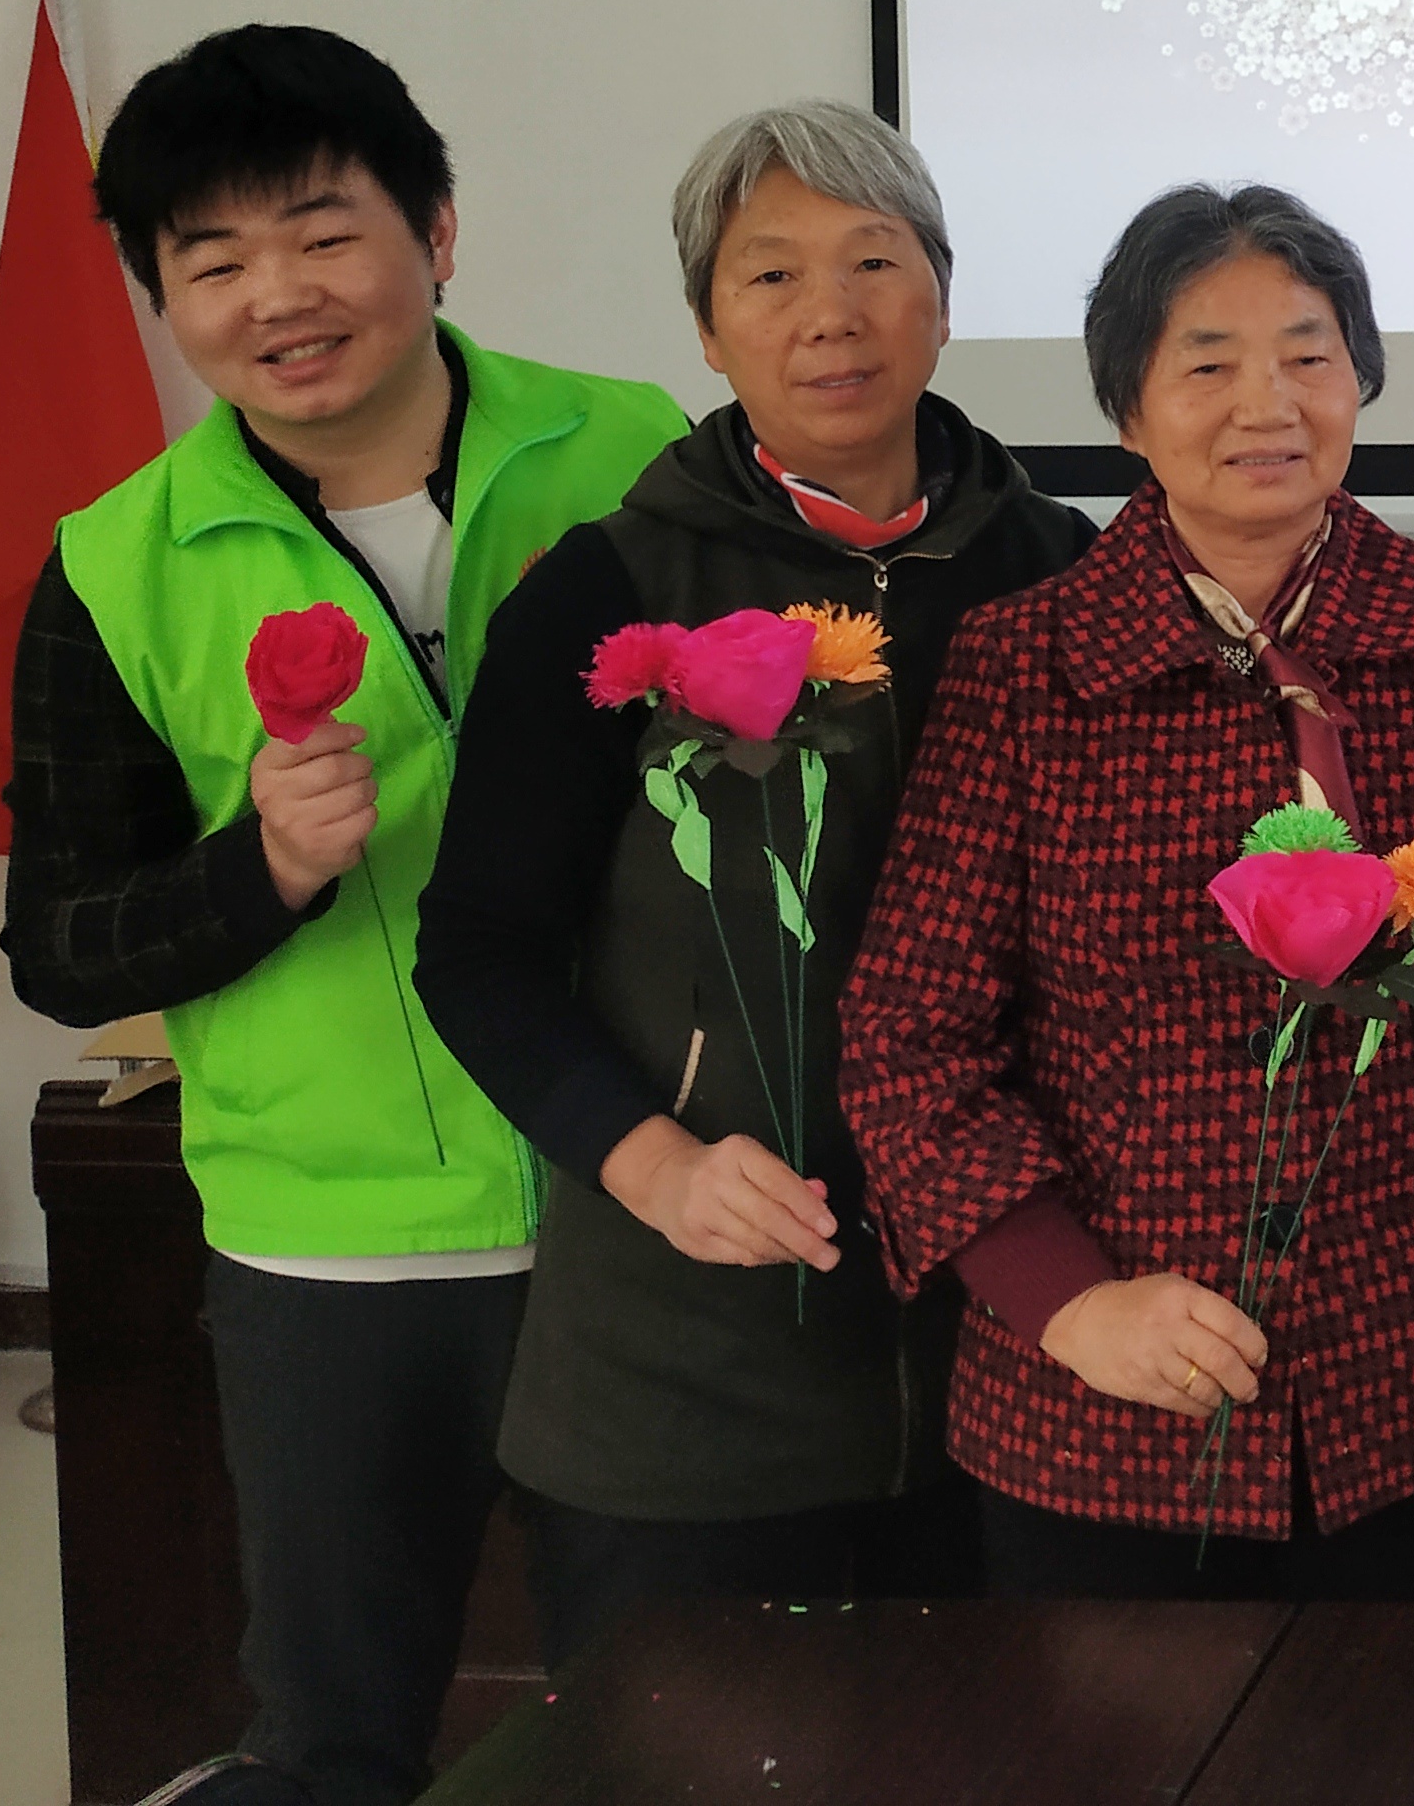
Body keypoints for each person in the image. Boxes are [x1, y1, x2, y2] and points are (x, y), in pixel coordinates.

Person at [0, 26, 684, 1806]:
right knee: (332, 1746)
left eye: (321, 233)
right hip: (336, 1256)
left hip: (638, 1202)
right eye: (212, 260)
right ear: (161, 295)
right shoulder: (115, 564)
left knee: (671, 1727)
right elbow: (58, 943)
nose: (277, 297)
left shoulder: (635, 453)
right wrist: (264, 870)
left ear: (435, 233)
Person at [835, 183, 1414, 1598]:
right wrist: (1067, 1301)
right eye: (1208, 363)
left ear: (1359, 380)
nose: (1268, 403)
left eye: (1308, 355)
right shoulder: (1026, 665)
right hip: (1099, 1419)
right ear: (1128, 413)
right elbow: (909, 1035)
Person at [414, 103, 1095, 1663]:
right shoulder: (609, 590)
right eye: (771, 275)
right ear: (709, 333)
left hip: (1011, 1352)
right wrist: (652, 1163)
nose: (830, 314)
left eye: (874, 261)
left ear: (942, 295)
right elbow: (479, 950)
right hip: (689, 1371)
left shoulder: (1062, 570)